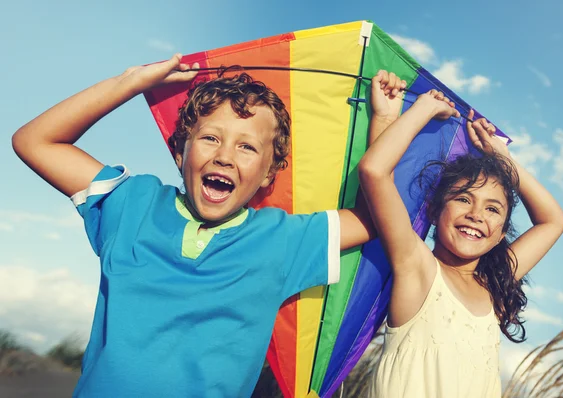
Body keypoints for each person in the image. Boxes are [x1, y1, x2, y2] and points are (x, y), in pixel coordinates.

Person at [11, 54, 405, 397]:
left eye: (247, 146)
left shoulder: (282, 239)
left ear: (269, 174)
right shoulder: (132, 204)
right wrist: (131, 82)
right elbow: (35, 141)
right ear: (181, 150)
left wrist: (386, 117)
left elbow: (372, 216)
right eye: (211, 138)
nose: (225, 156)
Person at [358, 88, 563, 397]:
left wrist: (504, 159)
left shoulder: (492, 286)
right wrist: (424, 108)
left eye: (492, 209)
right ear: (434, 210)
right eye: (463, 199)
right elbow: (374, 171)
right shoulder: (417, 266)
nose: (476, 215)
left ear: (501, 233)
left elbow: (554, 221)